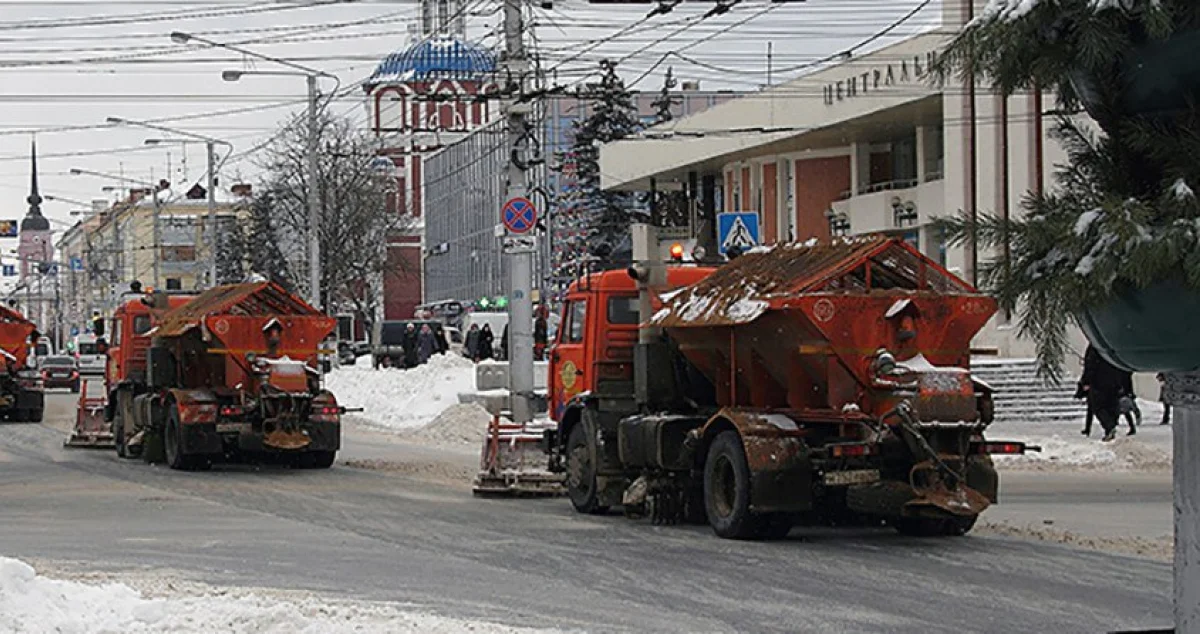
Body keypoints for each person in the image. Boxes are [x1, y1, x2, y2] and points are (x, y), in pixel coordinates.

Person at [1081, 345, 1128, 442]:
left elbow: (1090, 365)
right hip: (1115, 381)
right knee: (1111, 405)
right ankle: (1111, 427)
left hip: (1099, 382)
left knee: (1098, 407)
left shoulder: (1095, 347)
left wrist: (1086, 381)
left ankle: (1109, 427)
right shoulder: (1113, 345)